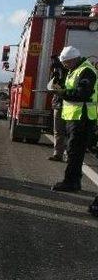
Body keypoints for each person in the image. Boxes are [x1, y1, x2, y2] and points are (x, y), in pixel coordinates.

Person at [51, 46, 98, 192]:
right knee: (74, 150)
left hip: (82, 117)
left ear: (74, 59)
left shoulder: (86, 71)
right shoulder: (75, 70)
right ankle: (72, 181)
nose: (65, 65)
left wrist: (62, 92)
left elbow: (82, 93)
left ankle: (71, 182)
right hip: (76, 117)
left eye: (66, 62)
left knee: (75, 151)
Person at [48, 56, 68, 162]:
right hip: (59, 104)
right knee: (59, 131)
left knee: (65, 132)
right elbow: (52, 86)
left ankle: (64, 154)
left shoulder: (72, 73)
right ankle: (58, 154)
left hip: (69, 105)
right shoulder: (57, 71)